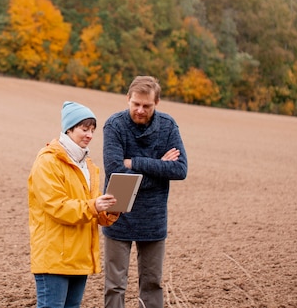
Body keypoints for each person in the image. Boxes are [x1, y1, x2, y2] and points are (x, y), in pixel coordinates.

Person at [102, 76, 188, 308]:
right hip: (117, 214)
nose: (140, 110)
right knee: (115, 285)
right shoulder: (114, 125)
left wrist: (135, 162)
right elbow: (115, 171)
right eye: (135, 104)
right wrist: (159, 167)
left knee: (152, 284)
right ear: (127, 99)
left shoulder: (168, 126)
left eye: (146, 106)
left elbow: (180, 170)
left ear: (157, 103)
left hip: (153, 218)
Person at [28, 101, 120, 308]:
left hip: (79, 257)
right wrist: (94, 205)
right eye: (84, 129)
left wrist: (109, 210)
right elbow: (57, 206)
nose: (89, 135)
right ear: (68, 129)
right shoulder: (48, 162)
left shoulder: (87, 165)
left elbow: (91, 207)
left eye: (92, 130)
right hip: (55, 256)